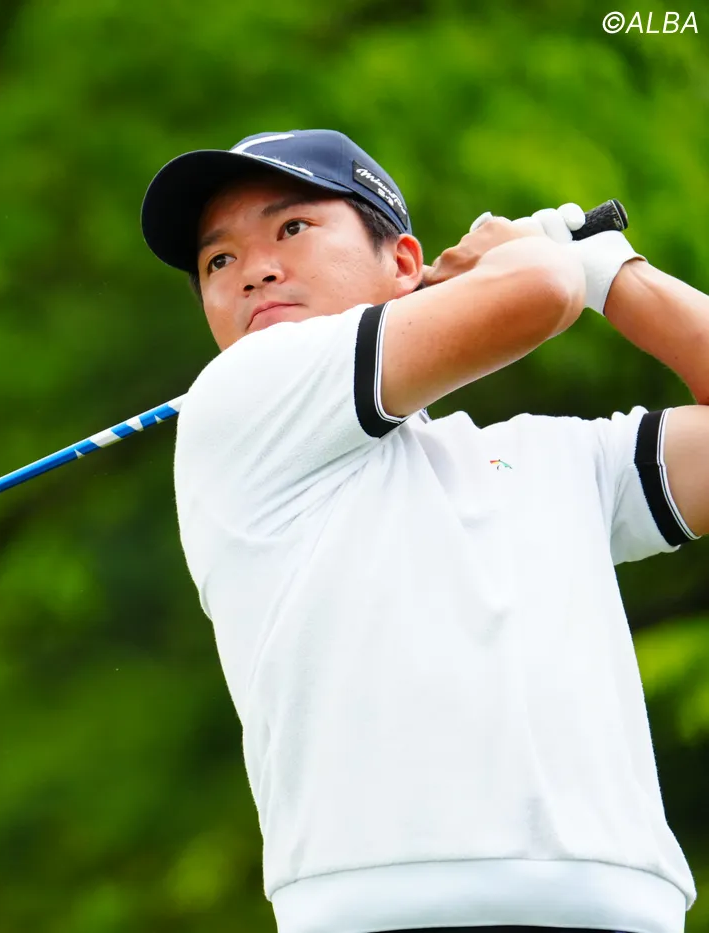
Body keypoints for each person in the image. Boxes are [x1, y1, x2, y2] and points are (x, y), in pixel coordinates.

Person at [140, 128, 709, 933]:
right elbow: (540, 289)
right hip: (381, 910)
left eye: (292, 227)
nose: (253, 270)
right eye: (218, 260)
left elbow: (547, 283)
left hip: (621, 907)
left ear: (404, 262)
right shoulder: (237, 398)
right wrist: (551, 260)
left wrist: (612, 271)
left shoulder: (556, 457)